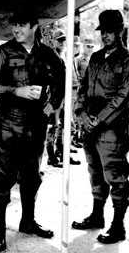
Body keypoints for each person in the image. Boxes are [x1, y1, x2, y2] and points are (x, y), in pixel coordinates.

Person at [0, 6, 65, 251]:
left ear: (33, 27)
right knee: (3, 176)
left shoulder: (48, 54)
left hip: (36, 124)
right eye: (14, 25)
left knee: (31, 176)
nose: (16, 29)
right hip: (8, 123)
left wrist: (53, 104)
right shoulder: (3, 52)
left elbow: (61, 80)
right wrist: (15, 91)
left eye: (21, 25)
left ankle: (28, 221)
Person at [71, 9, 129, 245]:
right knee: (95, 172)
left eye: (111, 31)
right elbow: (83, 87)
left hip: (112, 128)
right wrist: (80, 112)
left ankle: (118, 225)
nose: (106, 36)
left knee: (116, 176)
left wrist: (98, 119)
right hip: (91, 125)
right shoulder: (96, 57)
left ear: (120, 31)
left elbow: (122, 98)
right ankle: (96, 215)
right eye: (103, 32)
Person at [46, 29, 80, 167]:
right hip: (54, 97)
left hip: (65, 96)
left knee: (67, 125)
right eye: (59, 40)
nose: (62, 42)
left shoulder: (64, 56)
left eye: (64, 40)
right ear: (53, 41)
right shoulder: (51, 57)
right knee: (54, 126)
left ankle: (62, 153)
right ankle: (51, 156)